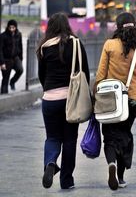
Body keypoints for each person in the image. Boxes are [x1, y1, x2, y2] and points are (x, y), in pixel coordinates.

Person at [94, 12, 136, 190]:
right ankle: (120, 176)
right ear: (135, 26)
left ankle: (111, 163)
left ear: (117, 27)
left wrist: (95, 93)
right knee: (124, 135)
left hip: (110, 99)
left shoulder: (110, 45)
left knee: (110, 136)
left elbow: (100, 74)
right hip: (132, 100)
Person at [36, 12, 90, 190]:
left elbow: (41, 76)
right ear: (67, 25)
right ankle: (67, 180)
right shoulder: (75, 43)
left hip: (50, 99)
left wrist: (50, 91)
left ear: (50, 27)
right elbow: (85, 73)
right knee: (69, 140)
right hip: (70, 99)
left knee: (52, 137)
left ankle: (50, 162)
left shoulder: (44, 47)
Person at [0, 19, 23, 93]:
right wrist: (2, 63)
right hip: (6, 60)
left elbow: (20, 46)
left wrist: (20, 58)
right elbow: (0, 50)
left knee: (20, 70)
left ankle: (12, 82)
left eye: (13, 27)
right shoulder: (3, 36)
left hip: (15, 58)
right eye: (10, 27)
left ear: (16, 27)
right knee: (5, 78)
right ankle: (3, 96)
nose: (11, 29)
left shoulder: (18, 34)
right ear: (8, 27)